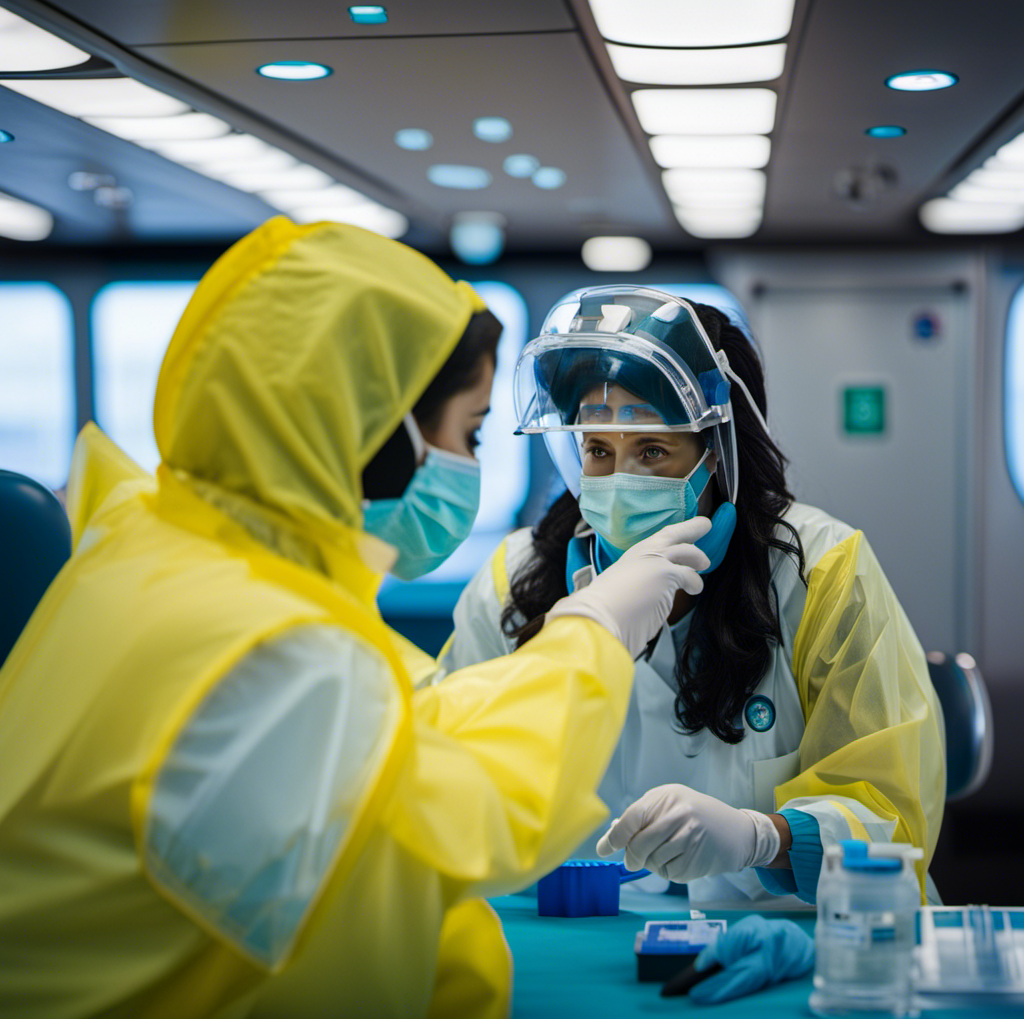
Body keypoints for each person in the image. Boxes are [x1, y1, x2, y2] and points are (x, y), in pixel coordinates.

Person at [0, 223, 710, 1018]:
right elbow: (461, 821)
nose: (473, 465)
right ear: (375, 430)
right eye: (469, 432)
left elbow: (402, 733)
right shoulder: (268, 648)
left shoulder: (163, 553)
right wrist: (592, 632)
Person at [440, 285, 946, 907]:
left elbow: (894, 818)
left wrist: (766, 840)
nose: (621, 482)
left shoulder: (819, 571)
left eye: (653, 450)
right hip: (574, 937)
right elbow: (446, 777)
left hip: (788, 935)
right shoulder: (514, 583)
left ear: (719, 454)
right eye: (598, 450)